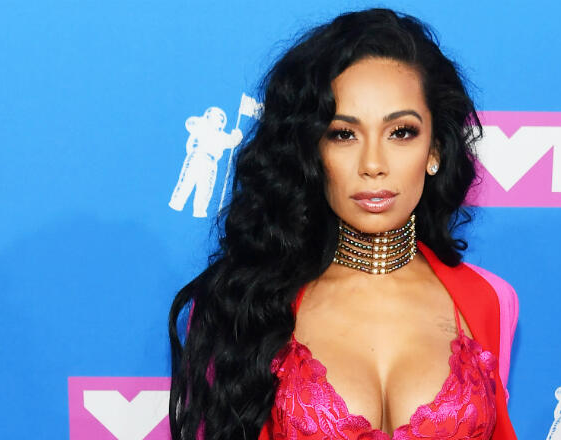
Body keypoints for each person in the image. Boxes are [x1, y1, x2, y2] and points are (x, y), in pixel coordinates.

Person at [168, 7, 519, 440]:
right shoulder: (243, 304)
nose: (373, 164)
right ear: (312, 152)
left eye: (401, 132)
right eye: (343, 134)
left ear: (435, 151)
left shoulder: (491, 301)